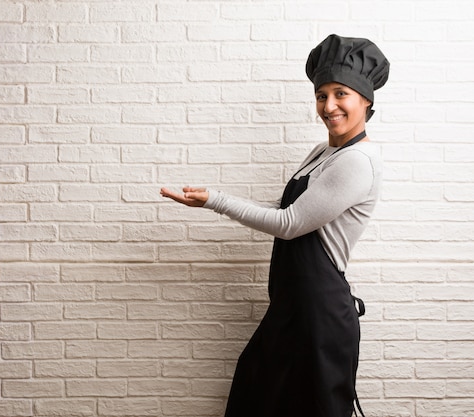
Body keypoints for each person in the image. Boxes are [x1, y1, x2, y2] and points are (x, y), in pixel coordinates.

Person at [160, 34, 390, 417]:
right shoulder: (325, 152)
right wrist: (211, 199)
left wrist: (216, 201)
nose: (329, 106)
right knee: (256, 395)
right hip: (292, 306)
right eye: (321, 96)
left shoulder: (358, 161)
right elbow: (290, 208)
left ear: (365, 100)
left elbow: (290, 223)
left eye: (341, 94)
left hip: (319, 315)